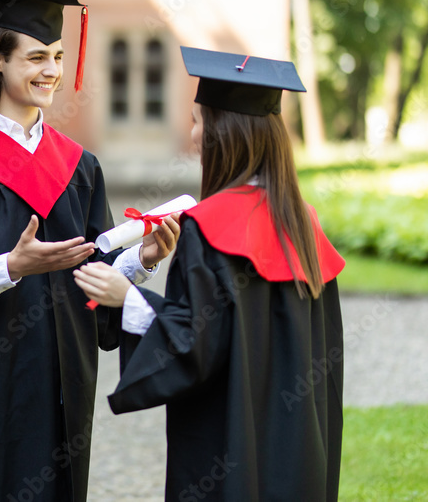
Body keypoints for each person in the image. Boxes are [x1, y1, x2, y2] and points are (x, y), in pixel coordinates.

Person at [0, 0, 181, 500]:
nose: (51, 70)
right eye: (35, 57)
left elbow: (94, 277)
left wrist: (141, 261)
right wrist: (10, 267)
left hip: (61, 383)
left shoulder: (79, 167)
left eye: (57, 57)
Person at [74, 47, 345, 501]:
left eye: (200, 121)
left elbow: (195, 345)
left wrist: (129, 298)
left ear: (225, 134)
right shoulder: (304, 222)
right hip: (298, 448)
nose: (194, 135)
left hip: (228, 448)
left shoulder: (207, 227)